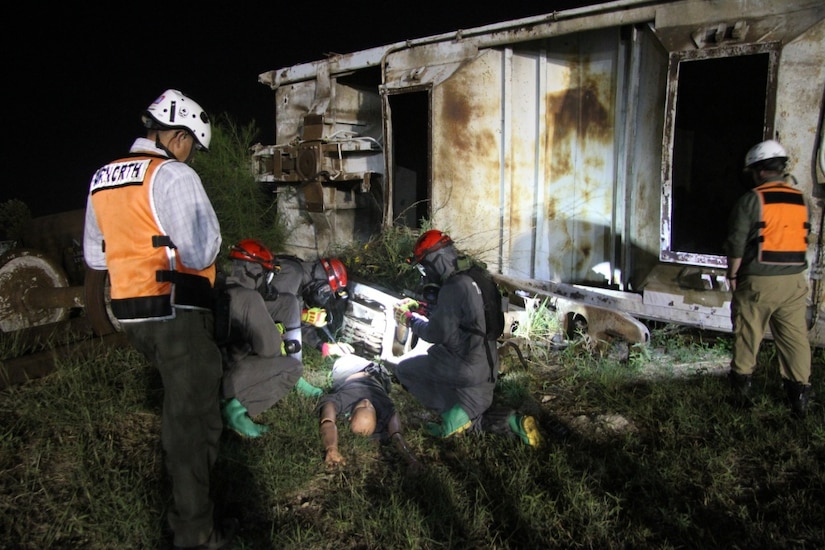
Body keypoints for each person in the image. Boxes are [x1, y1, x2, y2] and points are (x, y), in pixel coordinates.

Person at [83, 90, 236, 549]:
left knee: (195, 408)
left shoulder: (102, 177)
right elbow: (201, 249)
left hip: (132, 313)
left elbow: (95, 255)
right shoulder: (172, 173)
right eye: (191, 142)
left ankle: (199, 499)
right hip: (177, 310)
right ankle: (194, 532)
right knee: (189, 423)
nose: (192, 153)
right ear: (177, 134)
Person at [392, 230, 541, 447]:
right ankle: (512, 420)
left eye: (425, 266)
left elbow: (435, 334)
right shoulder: (478, 276)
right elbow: (469, 317)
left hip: (464, 369)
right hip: (487, 371)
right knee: (476, 418)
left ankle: (451, 415)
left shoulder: (454, 287)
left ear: (436, 261)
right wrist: (426, 309)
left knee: (405, 370)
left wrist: (408, 320)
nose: (426, 273)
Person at [725, 139, 813, 417]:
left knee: (747, 333)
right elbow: (804, 238)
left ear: (759, 171)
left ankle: (740, 395)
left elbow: (737, 243)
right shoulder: (803, 200)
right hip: (795, 281)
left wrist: (733, 274)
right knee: (795, 339)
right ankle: (799, 398)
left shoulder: (752, 200)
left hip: (759, 282)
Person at [219, 239, 303, 437]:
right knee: (292, 368)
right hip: (226, 378)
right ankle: (235, 411)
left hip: (204, 372)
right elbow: (270, 349)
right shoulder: (249, 298)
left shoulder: (219, 287)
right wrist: (274, 332)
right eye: (266, 274)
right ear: (254, 272)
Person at [264, 255, 355, 396]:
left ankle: (290, 373)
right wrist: (303, 315)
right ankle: (291, 377)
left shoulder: (301, 285)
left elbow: (293, 323)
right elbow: (267, 308)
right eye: (326, 290)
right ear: (320, 277)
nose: (324, 296)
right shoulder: (293, 272)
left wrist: (324, 346)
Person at [318, 354, 421, 471]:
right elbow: (396, 434)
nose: (366, 402)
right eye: (369, 407)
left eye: (362, 406)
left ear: (350, 417)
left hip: (349, 370)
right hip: (379, 376)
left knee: (344, 358)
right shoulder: (385, 406)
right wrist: (411, 459)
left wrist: (331, 448)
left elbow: (327, 421)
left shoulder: (341, 400)